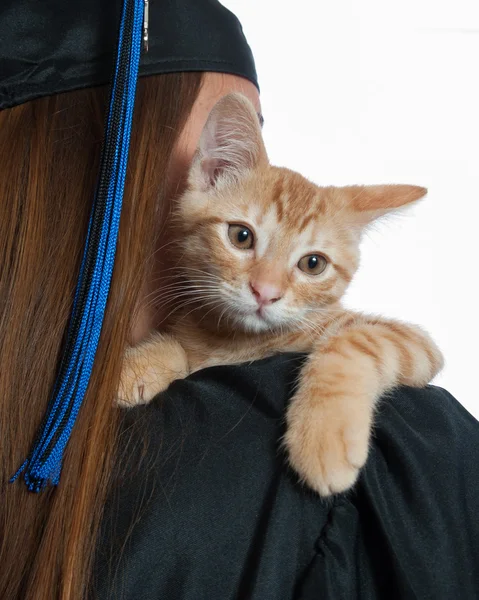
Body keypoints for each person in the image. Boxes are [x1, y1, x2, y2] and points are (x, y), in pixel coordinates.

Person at [1, 1, 478, 599]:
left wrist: (339, 377)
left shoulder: (399, 450)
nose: (268, 287)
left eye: (310, 264)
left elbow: (420, 350)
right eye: (244, 238)